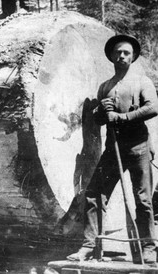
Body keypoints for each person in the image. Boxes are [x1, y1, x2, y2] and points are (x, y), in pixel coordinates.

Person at [67, 35, 157, 263]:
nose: (121, 56)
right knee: (94, 194)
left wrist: (122, 117)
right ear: (111, 57)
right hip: (113, 150)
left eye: (126, 52)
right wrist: (101, 112)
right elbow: (99, 121)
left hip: (138, 148)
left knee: (143, 200)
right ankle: (89, 246)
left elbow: (153, 107)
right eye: (117, 52)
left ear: (133, 56)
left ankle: (147, 248)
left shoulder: (141, 81)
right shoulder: (105, 86)